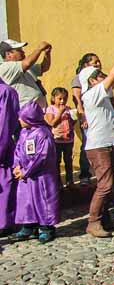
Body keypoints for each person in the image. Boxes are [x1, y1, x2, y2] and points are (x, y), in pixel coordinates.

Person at [80, 44, 114, 237]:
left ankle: (104, 218)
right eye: (99, 75)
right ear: (92, 81)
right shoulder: (91, 94)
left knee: (111, 183)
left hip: (108, 143)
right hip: (98, 146)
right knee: (105, 185)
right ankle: (93, 222)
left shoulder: (101, 93)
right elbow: (112, 76)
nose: (104, 76)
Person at [10, 102, 60, 244]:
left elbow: (42, 156)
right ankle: (28, 226)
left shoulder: (43, 133)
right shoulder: (23, 133)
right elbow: (18, 150)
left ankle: (46, 228)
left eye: (22, 118)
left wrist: (27, 171)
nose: (19, 120)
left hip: (41, 176)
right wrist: (17, 166)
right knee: (26, 201)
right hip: (26, 177)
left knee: (43, 201)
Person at [71, 53, 101, 185]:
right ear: (85, 65)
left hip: (100, 117)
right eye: (95, 62)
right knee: (87, 144)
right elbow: (77, 99)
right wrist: (82, 116)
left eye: (99, 61)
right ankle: (84, 174)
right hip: (88, 117)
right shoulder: (78, 79)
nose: (98, 64)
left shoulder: (100, 77)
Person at [0, 39, 51, 108]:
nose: (23, 52)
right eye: (19, 50)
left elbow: (44, 67)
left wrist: (47, 54)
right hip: (26, 113)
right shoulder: (5, 67)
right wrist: (39, 49)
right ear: (9, 54)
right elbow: (27, 63)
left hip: (38, 111)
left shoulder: (22, 66)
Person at [44, 88, 76, 189]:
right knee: (56, 162)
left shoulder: (68, 108)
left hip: (68, 140)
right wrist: (60, 112)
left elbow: (72, 122)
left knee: (68, 161)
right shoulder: (50, 109)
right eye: (60, 98)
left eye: (65, 98)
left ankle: (70, 181)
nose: (62, 101)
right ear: (53, 99)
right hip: (56, 140)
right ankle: (58, 183)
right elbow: (52, 123)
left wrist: (74, 117)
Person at [0, 77, 20, 236]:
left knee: (5, 181)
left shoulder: (6, 92)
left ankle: (4, 222)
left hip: (3, 146)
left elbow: (5, 126)